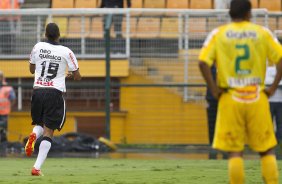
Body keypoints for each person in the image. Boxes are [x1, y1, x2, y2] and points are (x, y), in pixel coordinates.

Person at [198, 0, 282, 183]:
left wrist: (213, 89)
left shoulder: (218, 34)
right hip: (256, 96)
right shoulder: (262, 33)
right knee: (266, 149)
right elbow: (281, 59)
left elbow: (202, 62)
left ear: (230, 12)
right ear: (249, 13)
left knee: (235, 150)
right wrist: (273, 87)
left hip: (230, 97)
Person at [25, 23, 82, 176]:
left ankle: (34, 135)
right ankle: (36, 168)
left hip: (37, 91)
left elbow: (31, 69)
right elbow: (77, 76)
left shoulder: (37, 47)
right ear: (59, 35)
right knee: (49, 131)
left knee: (39, 124)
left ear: (45, 34)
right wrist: (69, 75)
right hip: (54, 93)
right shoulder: (66, 51)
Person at [265, 66, 282, 143]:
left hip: (279, 102)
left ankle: (279, 142)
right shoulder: (266, 69)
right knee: (269, 123)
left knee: (280, 124)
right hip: (269, 102)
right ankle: (269, 141)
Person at [0, 71, 16, 142]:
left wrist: (9, 108)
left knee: (3, 131)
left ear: (2, 77)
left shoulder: (7, 88)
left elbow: (13, 99)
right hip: (4, 113)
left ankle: (3, 146)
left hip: (4, 113)